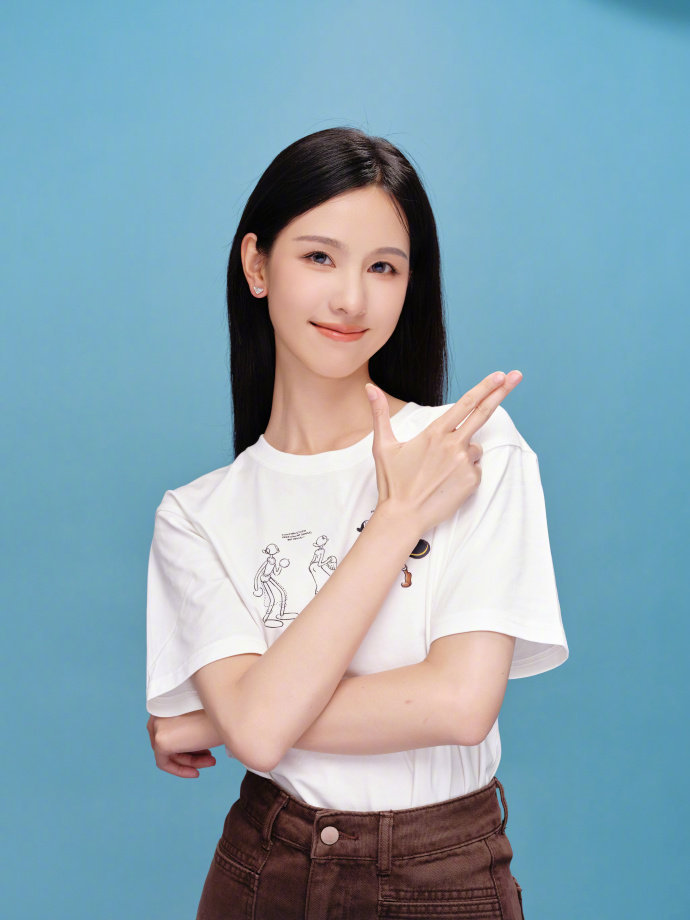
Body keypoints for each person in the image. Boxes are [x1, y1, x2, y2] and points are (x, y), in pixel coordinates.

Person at [145, 126, 568, 920]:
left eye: (383, 267)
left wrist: (221, 718)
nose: (351, 299)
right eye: (319, 257)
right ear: (256, 265)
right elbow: (260, 733)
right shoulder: (195, 516)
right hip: (263, 870)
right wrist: (398, 519)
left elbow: (460, 703)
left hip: (442, 878)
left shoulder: (469, 450)